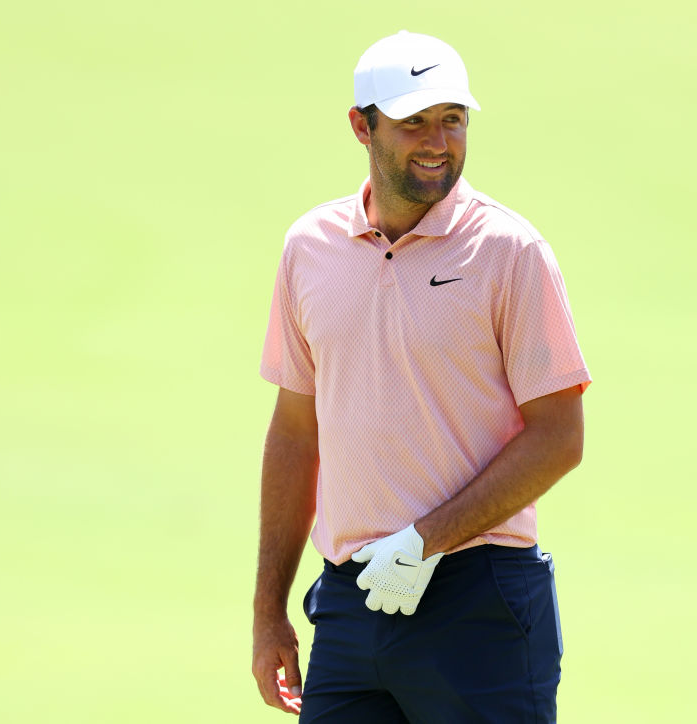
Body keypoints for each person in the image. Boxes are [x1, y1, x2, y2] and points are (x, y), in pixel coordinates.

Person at [252, 30, 591, 722]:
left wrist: (424, 540)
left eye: (452, 119)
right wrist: (268, 614)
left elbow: (559, 436)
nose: (438, 141)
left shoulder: (511, 252)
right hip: (350, 607)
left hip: (479, 603)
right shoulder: (309, 250)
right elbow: (294, 433)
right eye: (413, 123)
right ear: (361, 126)